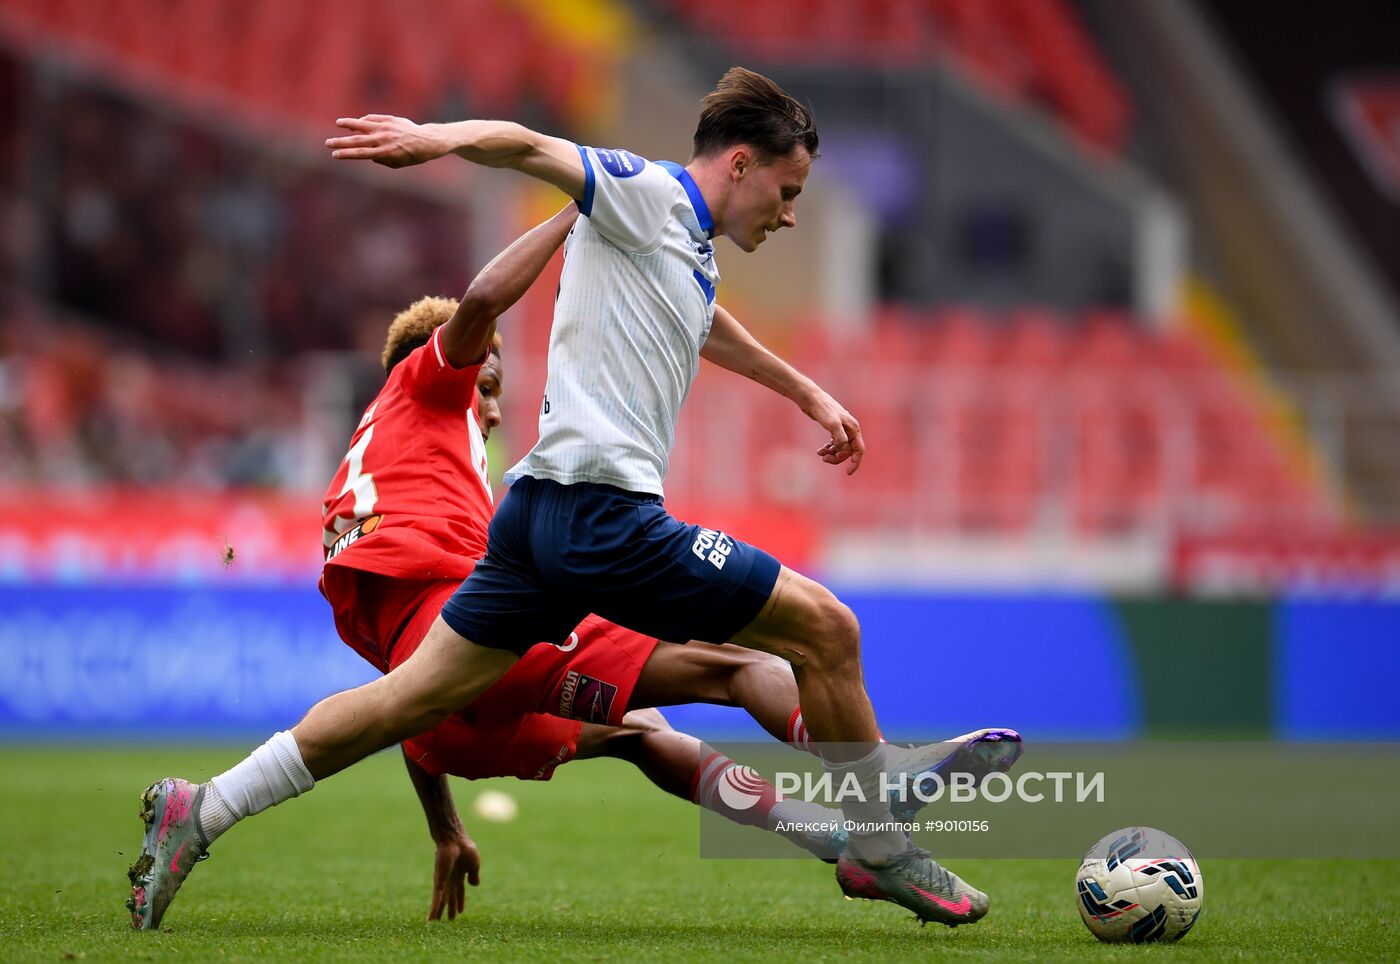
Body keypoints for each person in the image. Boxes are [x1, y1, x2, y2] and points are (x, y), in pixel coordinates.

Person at [129, 67, 1005, 930]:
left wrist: (807, 394)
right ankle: (878, 837)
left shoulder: (682, 249)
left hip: (530, 523)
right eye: (787, 188)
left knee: (405, 702)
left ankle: (201, 809)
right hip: (603, 517)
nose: (790, 212)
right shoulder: (641, 191)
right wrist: (432, 139)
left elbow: (705, 323)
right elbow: (528, 145)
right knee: (827, 629)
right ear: (740, 163)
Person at [312, 208, 1021, 919]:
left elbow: (411, 685)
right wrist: (582, 194)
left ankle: (842, 834)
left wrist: (446, 827)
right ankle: (875, 796)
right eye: (487, 388)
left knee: (642, 733)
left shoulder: (391, 471)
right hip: (489, 676)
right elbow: (483, 301)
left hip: (450, 724)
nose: (494, 410)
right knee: (736, 665)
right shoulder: (435, 397)